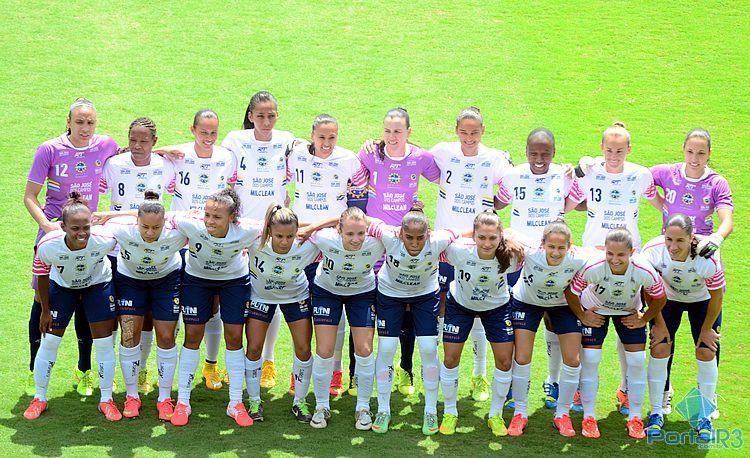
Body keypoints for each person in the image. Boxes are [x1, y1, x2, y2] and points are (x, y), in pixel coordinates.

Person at [24, 98, 119, 397]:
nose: (85, 128)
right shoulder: (49, 149)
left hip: (83, 232)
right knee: (43, 300)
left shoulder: (105, 145)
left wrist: (163, 153)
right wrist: (48, 227)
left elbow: (135, 154)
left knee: (83, 298)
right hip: (55, 233)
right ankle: (32, 370)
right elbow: (30, 196)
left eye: (90, 122)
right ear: (68, 121)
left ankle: (84, 370)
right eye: (79, 121)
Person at [568, 122, 661, 415]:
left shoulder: (640, 174)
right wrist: (572, 173)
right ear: (601, 148)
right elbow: (568, 204)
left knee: (627, 321)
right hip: (593, 257)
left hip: (628, 261)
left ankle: (625, 389)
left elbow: (660, 203)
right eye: (609, 150)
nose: (614, 155)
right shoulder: (590, 173)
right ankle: (583, 389)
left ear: (629, 150)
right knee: (589, 324)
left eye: (619, 150)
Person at [358, 107, 441, 398]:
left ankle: (405, 368)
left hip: (408, 243)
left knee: (406, 307)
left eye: (397, 131)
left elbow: (449, 180)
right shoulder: (369, 154)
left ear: (409, 132)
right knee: (366, 308)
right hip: (376, 241)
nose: (392, 137)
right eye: (387, 131)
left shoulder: (421, 158)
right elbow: (348, 178)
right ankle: (359, 371)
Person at [650, 128, 733, 415]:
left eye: (701, 153)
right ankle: (663, 393)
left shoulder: (716, 182)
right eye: (690, 151)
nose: (695, 158)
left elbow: (727, 219)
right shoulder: (667, 173)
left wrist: (715, 240)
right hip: (671, 252)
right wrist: (660, 206)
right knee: (663, 340)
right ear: (683, 150)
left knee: (707, 341)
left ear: (709, 153)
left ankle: (707, 402)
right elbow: (632, 176)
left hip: (701, 253)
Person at [431, 107, 512, 402]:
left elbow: (512, 184)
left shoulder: (494, 158)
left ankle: (479, 374)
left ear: (483, 131)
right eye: (463, 132)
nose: (468, 137)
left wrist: (496, 206)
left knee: (479, 307)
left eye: (474, 132)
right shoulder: (442, 151)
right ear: (456, 130)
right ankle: (445, 371)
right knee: (443, 304)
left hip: (482, 246)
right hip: (448, 246)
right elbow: (414, 162)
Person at [220, 91, 297, 390]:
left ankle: (268, 362)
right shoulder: (235, 139)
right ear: (250, 116)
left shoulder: (287, 139)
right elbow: (206, 153)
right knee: (236, 300)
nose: (266, 121)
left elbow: (317, 146)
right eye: (261, 115)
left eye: (272, 115)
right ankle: (230, 363)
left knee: (270, 298)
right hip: (239, 231)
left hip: (271, 233)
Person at [287, 114, 368, 396]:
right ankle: (299, 370)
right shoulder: (295, 155)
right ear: (311, 135)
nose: (326, 143)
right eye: (321, 137)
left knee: (334, 312)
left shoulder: (348, 160)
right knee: (302, 311)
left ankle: (335, 371)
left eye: (332, 137)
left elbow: (358, 205)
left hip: (333, 243)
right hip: (301, 244)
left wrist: (317, 227)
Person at [169, 189, 262, 427]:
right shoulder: (191, 224)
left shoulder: (247, 229)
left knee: (234, 337)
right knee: (192, 336)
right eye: (207, 215)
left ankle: (235, 403)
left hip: (234, 282)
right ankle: (183, 402)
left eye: (217, 217)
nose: (210, 221)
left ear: (232, 218)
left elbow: (282, 226)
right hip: (196, 281)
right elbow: (157, 216)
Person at [495, 128, 573, 410]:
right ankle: (517, 386)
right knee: (518, 324)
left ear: (554, 153)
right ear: (525, 151)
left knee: (554, 321)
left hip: (552, 258)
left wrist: (585, 170)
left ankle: (552, 381)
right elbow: (494, 205)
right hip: (519, 257)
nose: (539, 158)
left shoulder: (563, 177)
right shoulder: (513, 176)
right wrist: (506, 235)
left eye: (545, 153)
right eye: (533, 153)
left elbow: (581, 204)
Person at [24, 193, 120, 421]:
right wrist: (45, 310)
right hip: (63, 287)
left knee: (105, 343)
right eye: (75, 228)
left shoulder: (105, 238)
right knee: (50, 342)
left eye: (86, 227)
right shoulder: (48, 245)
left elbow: (136, 222)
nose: (82, 233)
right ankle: (39, 397)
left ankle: (106, 400)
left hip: (97, 285)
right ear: (63, 227)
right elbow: (42, 273)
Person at [567, 228, 668, 439]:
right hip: (597, 310)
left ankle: (635, 418)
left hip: (628, 312)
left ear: (631, 252)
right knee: (591, 358)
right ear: (604, 250)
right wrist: (584, 315)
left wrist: (644, 319)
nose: (614, 259)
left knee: (637, 361)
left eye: (621, 254)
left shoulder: (643, 269)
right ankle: (589, 416)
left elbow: (660, 297)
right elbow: (572, 292)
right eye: (610, 253)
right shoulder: (594, 268)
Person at [365, 205, 457, 435]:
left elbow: (457, 233)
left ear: (428, 234)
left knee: (428, 348)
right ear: (400, 233)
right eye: (409, 237)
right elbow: (363, 220)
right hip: (390, 294)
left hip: (425, 296)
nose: (415, 243)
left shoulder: (437, 241)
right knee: (386, 348)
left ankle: (430, 410)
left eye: (420, 238)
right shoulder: (388, 236)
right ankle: (383, 408)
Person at [99, 117, 173, 395]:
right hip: (119, 250)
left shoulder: (166, 166)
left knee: (150, 316)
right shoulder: (114, 165)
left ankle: (141, 370)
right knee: (122, 314)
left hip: (151, 250)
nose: (137, 145)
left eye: (144, 140)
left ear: (155, 142)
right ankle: (120, 372)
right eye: (132, 139)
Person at [167, 109, 238, 391]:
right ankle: (170, 370)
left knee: (214, 307)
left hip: (213, 240)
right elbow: (147, 156)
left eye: (213, 132)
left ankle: (210, 366)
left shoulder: (226, 157)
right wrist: (163, 148)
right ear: (192, 129)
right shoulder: (178, 155)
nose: (208, 138)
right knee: (179, 306)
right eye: (203, 131)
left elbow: (233, 192)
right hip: (183, 240)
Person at [103, 191, 187, 420]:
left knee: (167, 337)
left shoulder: (178, 231)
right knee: (129, 335)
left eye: (156, 228)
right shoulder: (121, 228)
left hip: (167, 282)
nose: (150, 233)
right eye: (145, 227)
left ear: (165, 223)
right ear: (136, 221)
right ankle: (132, 396)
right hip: (130, 282)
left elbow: (210, 222)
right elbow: (87, 225)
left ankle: (164, 398)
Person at [298, 207, 384, 429]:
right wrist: (313, 227)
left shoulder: (377, 242)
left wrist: (368, 222)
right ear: (339, 231)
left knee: (364, 350)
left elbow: (403, 231)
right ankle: (321, 406)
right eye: (350, 234)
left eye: (361, 233)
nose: (356, 240)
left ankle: (363, 407)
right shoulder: (326, 239)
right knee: (325, 350)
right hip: (327, 293)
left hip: (362, 294)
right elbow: (294, 227)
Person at [641, 214, 725, 441]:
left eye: (679, 241)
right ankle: (657, 410)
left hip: (704, 300)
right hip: (666, 299)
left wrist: (707, 329)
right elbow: (648, 289)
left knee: (706, 350)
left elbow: (717, 296)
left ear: (691, 238)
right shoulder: (652, 251)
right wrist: (658, 323)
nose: (672, 246)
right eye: (669, 239)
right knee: (659, 348)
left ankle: (704, 414)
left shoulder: (707, 258)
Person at [438, 211, 521, 437]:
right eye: (481, 237)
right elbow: (437, 241)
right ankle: (450, 411)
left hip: (497, 308)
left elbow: (537, 250)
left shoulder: (512, 256)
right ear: (473, 235)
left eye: (492, 238)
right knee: (450, 358)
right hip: (460, 306)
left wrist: (512, 238)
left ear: (500, 237)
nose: (487, 243)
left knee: (504, 362)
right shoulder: (458, 251)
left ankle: (495, 414)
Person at [505, 222, 588, 437]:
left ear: (570, 247)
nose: (556, 252)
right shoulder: (531, 252)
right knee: (522, 357)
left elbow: (602, 255)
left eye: (561, 248)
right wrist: (508, 238)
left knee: (573, 359)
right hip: (526, 302)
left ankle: (563, 414)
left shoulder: (579, 258)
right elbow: (507, 231)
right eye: (551, 246)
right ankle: (520, 412)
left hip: (562, 305)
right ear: (543, 244)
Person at [243, 205, 320, 423]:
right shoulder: (255, 240)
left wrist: (313, 226)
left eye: (290, 236)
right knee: (254, 347)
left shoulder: (307, 244)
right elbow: (233, 223)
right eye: (278, 236)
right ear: (268, 231)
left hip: (296, 297)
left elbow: (340, 223)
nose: (284, 242)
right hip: (260, 297)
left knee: (304, 348)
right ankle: (255, 400)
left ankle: (300, 401)